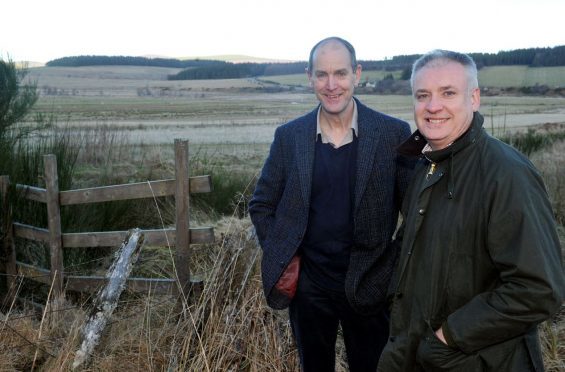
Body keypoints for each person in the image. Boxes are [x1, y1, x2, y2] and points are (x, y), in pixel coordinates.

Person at [377, 49, 565, 371]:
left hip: (477, 361)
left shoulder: (506, 173)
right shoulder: (426, 168)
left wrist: (447, 338)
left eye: (448, 93)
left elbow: (538, 289)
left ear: (474, 97)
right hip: (414, 355)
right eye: (423, 95)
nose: (433, 106)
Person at [248, 37, 413, 371]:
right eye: (322, 75)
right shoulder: (289, 137)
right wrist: (287, 255)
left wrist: (391, 264)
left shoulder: (396, 133)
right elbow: (261, 204)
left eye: (340, 73)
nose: (332, 85)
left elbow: (418, 210)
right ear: (309, 77)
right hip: (310, 288)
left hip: (370, 284)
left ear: (357, 74)